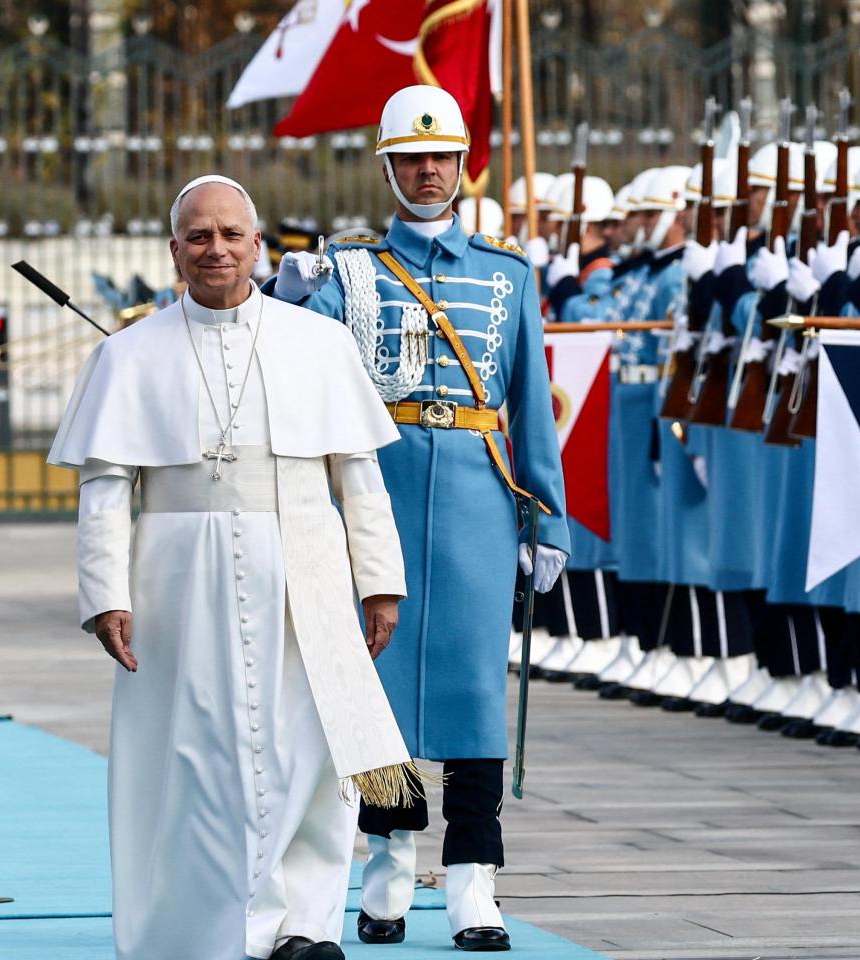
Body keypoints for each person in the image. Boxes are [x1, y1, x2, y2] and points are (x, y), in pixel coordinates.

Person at [50, 175, 419, 960]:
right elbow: (107, 489)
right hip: (180, 579)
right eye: (197, 236)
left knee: (313, 751)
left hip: (307, 568)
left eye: (230, 235)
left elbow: (359, 474)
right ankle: (216, 927)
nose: (215, 249)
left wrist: (380, 581)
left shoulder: (318, 343)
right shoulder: (128, 354)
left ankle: (305, 927)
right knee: (198, 756)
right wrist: (104, 595)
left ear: (257, 245)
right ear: (174, 248)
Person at [275, 85, 570, 951]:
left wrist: (546, 519)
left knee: (477, 697)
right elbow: (301, 360)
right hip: (383, 495)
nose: (429, 170)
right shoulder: (349, 272)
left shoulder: (509, 274)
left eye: (441, 156)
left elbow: (533, 410)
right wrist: (289, 296)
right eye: (411, 157)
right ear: (389, 166)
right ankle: (390, 867)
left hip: (481, 502)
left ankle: (476, 880)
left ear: (463, 160)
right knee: (382, 695)